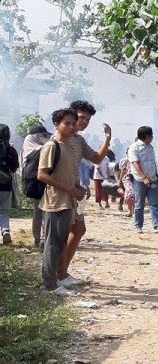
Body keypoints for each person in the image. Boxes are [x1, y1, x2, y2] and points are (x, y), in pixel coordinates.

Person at [59, 100, 112, 288]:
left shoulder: (79, 140)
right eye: (81, 118)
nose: (84, 122)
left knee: (78, 230)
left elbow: (96, 158)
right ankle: (58, 274)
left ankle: (62, 272)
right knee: (64, 233)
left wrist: (107, 139)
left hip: (74, 191)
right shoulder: (60, 139)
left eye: (87, 120)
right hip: (62, 192)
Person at [37, 109, 86, 296]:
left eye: (74, 123)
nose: (72, 126)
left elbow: (65, 174)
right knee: (53, 243)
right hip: (55, 202)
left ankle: (57, 279)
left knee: (60, 242)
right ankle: (50, 284)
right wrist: (70, 189)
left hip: (67, 201)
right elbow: (42, 175)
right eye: (67, 123)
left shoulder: (68, 146)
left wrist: (77, 187)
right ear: (57, 124)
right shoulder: (52, 146)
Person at [128, 126, 158, 234]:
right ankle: (138, 226)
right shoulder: (134, 148)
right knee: (139, 203)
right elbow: (135, 163)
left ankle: (157, 225)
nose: (152, 137)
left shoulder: (150, 147)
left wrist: (156, 176)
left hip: (153, 179)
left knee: (154, 203)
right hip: (139, 180)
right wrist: (144, 177)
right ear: (146, 136)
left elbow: (152, 163)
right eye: (151, 135)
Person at [22, 123, 52, 247]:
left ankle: (37, 240)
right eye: (44, 135)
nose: (46, 137)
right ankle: (44, 239)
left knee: (37, 211)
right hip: (43, 183)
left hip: (31, 184)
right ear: (37, 136)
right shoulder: (42, 149)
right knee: (45, 211)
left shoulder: (26, 148)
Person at [0, 124, 20, 245]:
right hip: (5, 184)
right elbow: (14, 167)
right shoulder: (11, 149)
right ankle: (5, 230)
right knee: (3, 211)